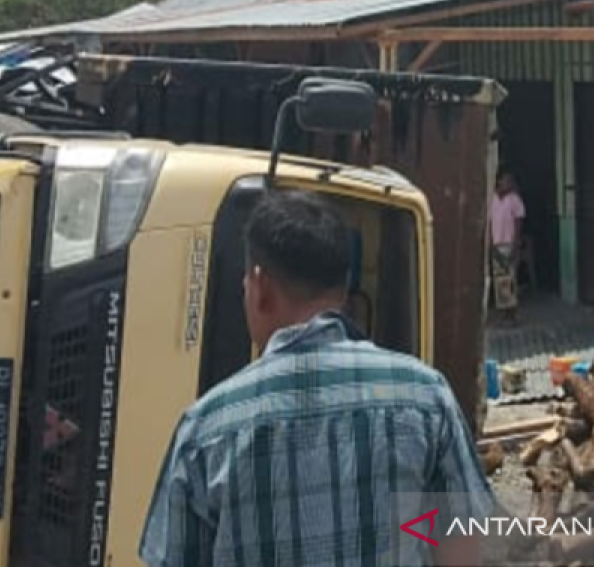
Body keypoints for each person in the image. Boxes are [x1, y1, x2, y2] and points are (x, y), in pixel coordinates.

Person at [139, 190, 494, 567]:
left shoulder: (205, 431)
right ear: (343, 287)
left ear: (259, 286)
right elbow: (463, 551)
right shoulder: (426, 398)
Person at [488, 167, 526, 325]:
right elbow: (489, 224)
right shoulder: (492, 199)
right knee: (500, 281)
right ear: (499, 181)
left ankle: (513, 315)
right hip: (497, 245)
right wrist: (491, 246)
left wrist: (516, 246)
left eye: (510, 180)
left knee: (510, 280)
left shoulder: (514, 199)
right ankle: (505, 316)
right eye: (506, 179)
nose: (508, 183)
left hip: (510, 245)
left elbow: (519, 224)